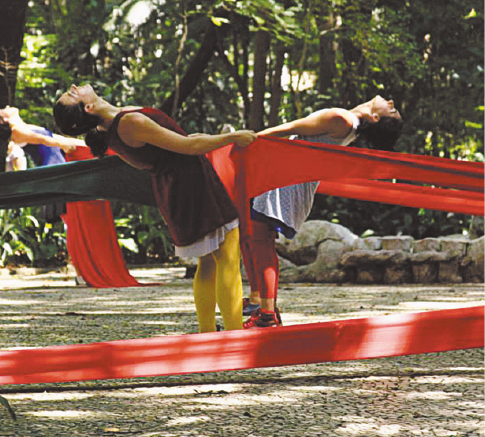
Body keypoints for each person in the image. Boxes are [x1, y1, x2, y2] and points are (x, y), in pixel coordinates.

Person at [53, 84, 257, 333]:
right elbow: (189, 147)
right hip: (191, 184)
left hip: (181, 184)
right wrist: (233, 137)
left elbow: (173, 145)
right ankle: (234, 333)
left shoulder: (110, 126)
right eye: (72, 94)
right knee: (227, 257)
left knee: (210, 261)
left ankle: (208, 332)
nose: (74, 87)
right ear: (88, 107)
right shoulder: (129, 123)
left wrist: (195, 141)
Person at [241, 96, 403, 328]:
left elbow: (291, 128)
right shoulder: (350, 126)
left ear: (375, 118)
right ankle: (265, 307)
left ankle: (266, 314)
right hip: (292, 180)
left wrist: (250, 140)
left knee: (260, 243)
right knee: (259, 241)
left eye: (392, 107)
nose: (389, 100)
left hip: (286, 182)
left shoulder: (341, 119)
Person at [0, 106, 87, 222]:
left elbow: (57, 138)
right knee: (66, 206)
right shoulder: (16, 132)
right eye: (4, 109)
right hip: (52, 166)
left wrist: (85, 145)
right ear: (4, 119)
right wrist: (63, 145)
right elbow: (42, 139)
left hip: (58, 161)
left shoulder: (25, 127)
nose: (7, 107)